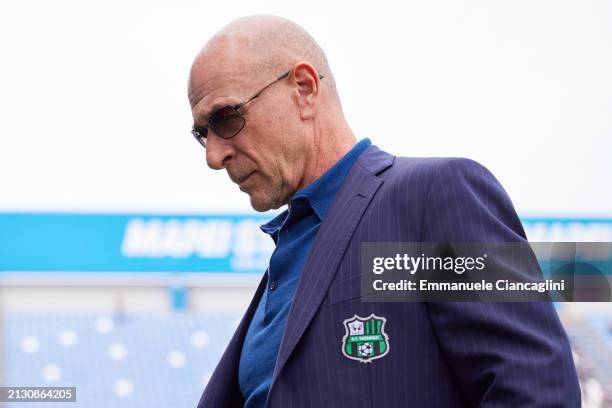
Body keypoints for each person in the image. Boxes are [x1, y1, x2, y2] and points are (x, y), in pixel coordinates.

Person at [188, 15, 580, 408]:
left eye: (226, 118)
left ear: (304, 89)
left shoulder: (435, 197)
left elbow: (537, 391)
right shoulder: (287, 255)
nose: (213, 156)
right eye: (203, 132)